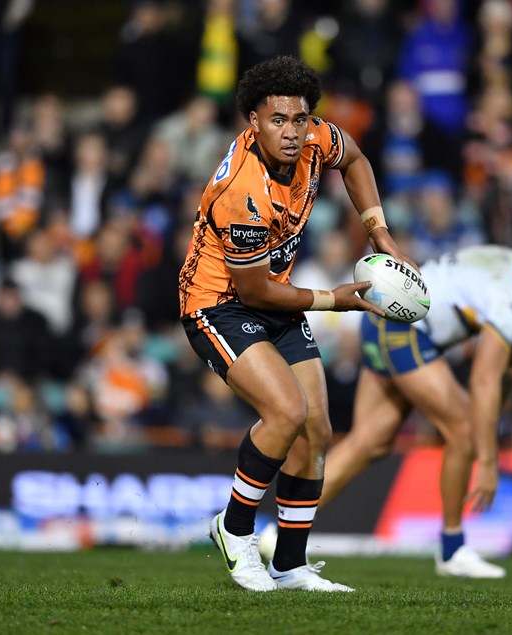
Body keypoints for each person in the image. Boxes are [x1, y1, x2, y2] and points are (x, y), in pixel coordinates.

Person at [178, 55, 413, 592]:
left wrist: (377, 230)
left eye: (299, 119)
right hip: (220, 303)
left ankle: (289, 564)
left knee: (317, 431)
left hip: (276, 298)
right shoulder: (243, 191)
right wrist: (334, 300)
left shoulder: (314, 138)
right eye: (277, 120)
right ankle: (234, 531)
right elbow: (253, 289)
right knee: (285, 411)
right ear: (252, 122)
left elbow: (355, 158)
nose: (291, 131)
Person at [288, 245, 512, 579]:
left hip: (386, 320)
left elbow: (511, 363)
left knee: (369, 442)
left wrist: (497, 415)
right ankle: (452, 550)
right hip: (404, 327)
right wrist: (487, 459)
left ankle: (284, 530)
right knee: (465, 430)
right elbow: (484, 378)